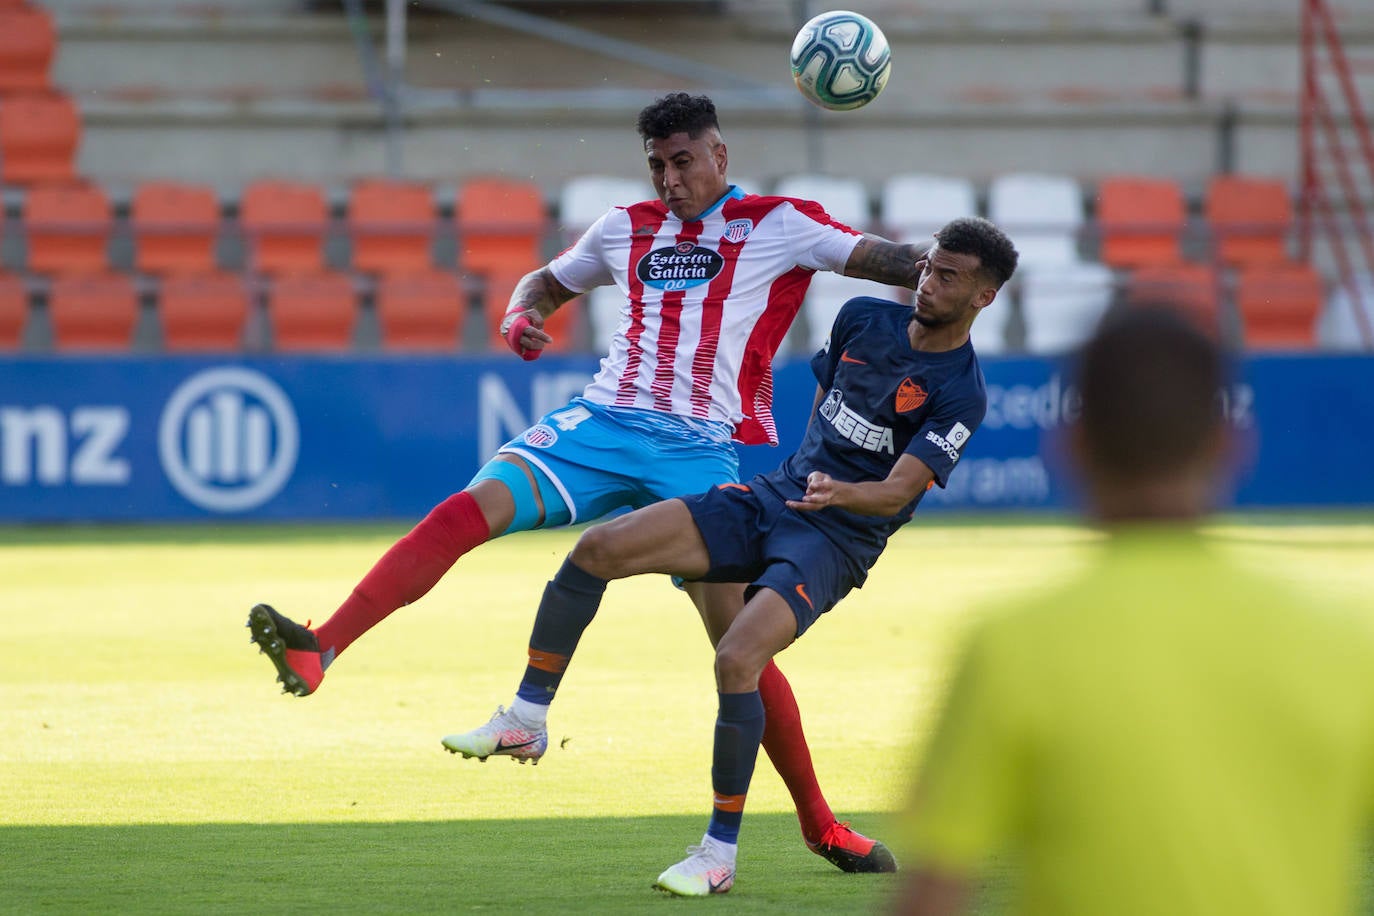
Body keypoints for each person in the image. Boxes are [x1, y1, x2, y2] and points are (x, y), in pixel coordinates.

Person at [248, 91, 928, 872]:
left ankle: (821, 826)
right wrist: (518, 316)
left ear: (719, 156)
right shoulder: (622, 228)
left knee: (740, 649)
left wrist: (953, 262)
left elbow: (895, 264)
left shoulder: (780, 224)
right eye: (657, 165)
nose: (669, 179)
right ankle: (321, 650)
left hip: (698, 449)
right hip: (600, 426)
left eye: (682, 161)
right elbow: (542, 283)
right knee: (463, 513)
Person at [444, 216, 1019, 896]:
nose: (928, 282)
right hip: (777, 494)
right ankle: (527, 719)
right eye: (928, 267)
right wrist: (805, 474)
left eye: (949, 277)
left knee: (737, 657)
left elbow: (897, 492)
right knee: (597, 549)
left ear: (984, 297)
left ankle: (717, 854)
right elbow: (830, 401)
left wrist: (841, 494)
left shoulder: (961, 391)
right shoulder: (864, 318)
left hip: (836, 540)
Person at [893, 305, 1374, 916]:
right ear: (1232, 443)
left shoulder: (1015, 646)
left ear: (1070, 446)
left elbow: (932, 896)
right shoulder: (1340, 640)